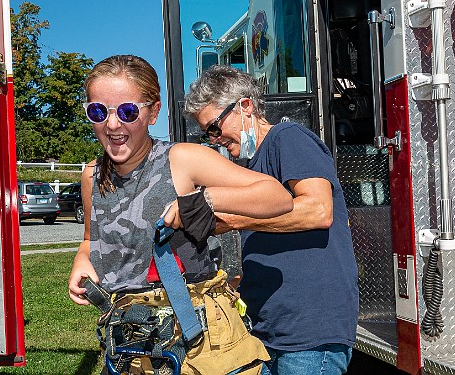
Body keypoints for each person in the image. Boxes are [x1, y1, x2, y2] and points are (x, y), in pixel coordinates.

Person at [68, 55, 293, 375]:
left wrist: (204, 200)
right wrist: (82, 261)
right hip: (134, 344)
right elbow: (91, 239)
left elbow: (278, 198)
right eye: (98, 111)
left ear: (153, 112)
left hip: (203, 347)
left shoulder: (183, 160)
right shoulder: (92, 176)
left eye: (128, 111)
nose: (113, 124)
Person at [184, 65, 359, 375]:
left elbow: (319, 211)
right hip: (271, 330)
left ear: (246, 106)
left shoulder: (288, 138)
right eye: (206, 133)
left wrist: (238, 219)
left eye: (214, 127)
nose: (213, 140)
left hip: (309, 334)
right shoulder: (252, 165)